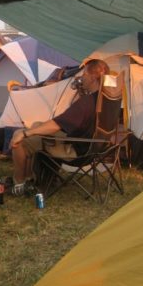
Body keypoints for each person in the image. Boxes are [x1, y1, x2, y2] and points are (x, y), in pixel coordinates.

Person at [9, 59, 110, 196]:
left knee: (20, 140)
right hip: (96, 147)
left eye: (85, 74)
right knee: (37, 125)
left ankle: (19, 183)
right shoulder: (107, 97)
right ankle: (30, 178)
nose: (82, 77)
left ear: (92, 78)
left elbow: (56, 125)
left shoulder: (86, 103)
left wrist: (26, 134)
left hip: (76, 151)